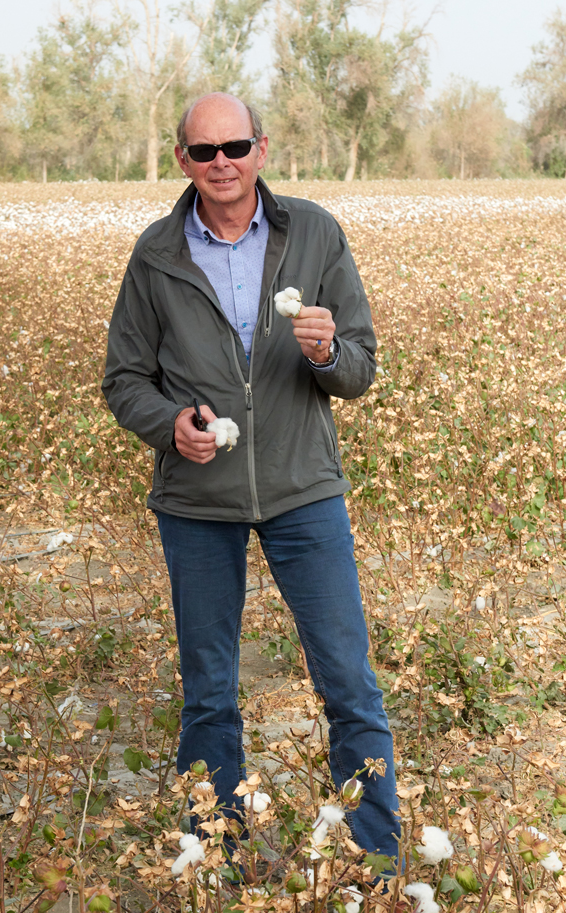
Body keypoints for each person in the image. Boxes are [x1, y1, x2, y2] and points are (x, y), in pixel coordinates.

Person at [102, 92, 400, 860]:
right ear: (182, 161)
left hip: (303, 493)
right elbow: (125, 379)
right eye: (203, 152)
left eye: (234, 147)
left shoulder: (315, 233)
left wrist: (327, 354)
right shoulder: (156, 253)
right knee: (207, 694)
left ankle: (375, 864)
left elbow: (359, 368)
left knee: (349, 686)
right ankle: (212, 858)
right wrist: (169, 426)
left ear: (261, 149)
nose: (221, 163)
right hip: (197, 503)